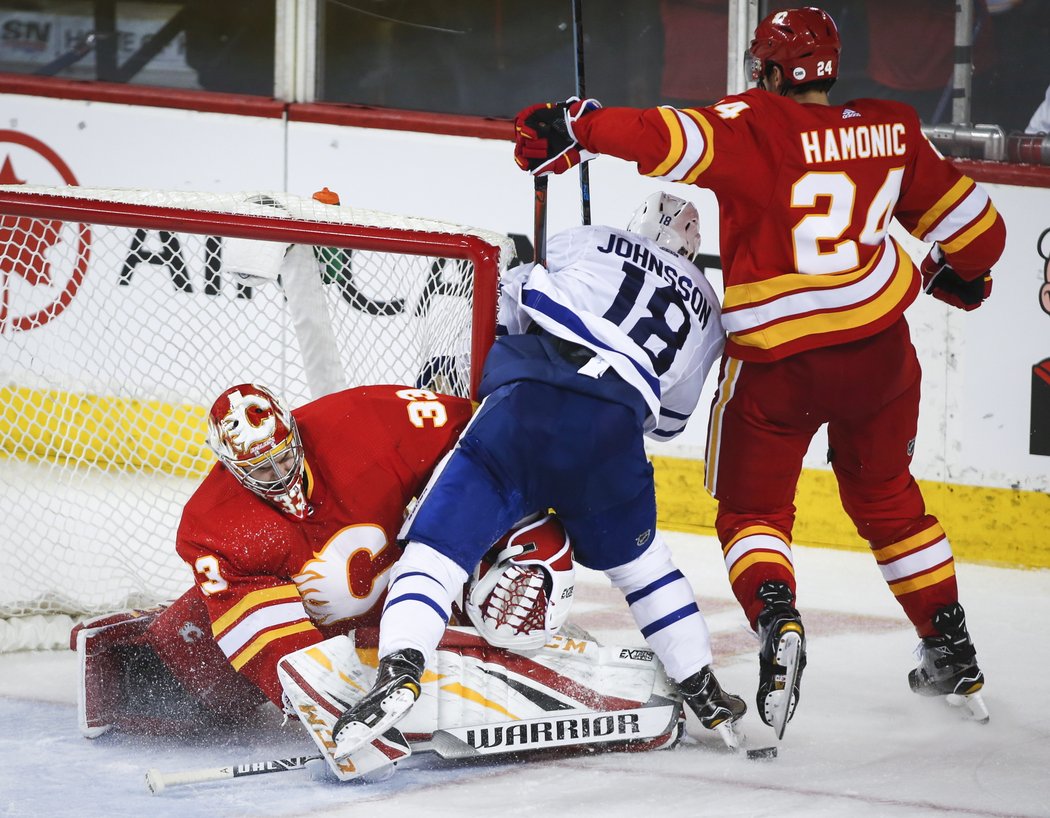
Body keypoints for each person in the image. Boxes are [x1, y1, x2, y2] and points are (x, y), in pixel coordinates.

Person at [510, 6, 1006, 740]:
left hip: (779, 368)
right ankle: (951, 647)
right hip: (880, 357)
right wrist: (955, 277)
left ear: (769, 70)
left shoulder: (754, 124)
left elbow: (662, 135)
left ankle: (778, 618)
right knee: (889, 498)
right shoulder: (891, 128)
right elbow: (982, 236)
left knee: (753, 513)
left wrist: (575, 124)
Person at [71, 382, 687, 780]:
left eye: (285, 458)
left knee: (520, 592)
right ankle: (133, 651)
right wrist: (326, 706)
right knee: (188, 679)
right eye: (261, 470)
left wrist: (509, 532)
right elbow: (274, 647)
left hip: (413, 595)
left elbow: (489, 443)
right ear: (231, 468)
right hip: (307, 634)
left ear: (295, 435)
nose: (281, 476)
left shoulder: (371, 421)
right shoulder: (217, 528)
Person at [327, 192, 746, 767]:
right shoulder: (705, 304)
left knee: (436, 552)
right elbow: (670, 422)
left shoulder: (590, 237)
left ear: (638, 224)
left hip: (526, 407)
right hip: (612, 433)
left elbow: (511, 292)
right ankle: (703, 687)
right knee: (646, 570)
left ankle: (399, 670)